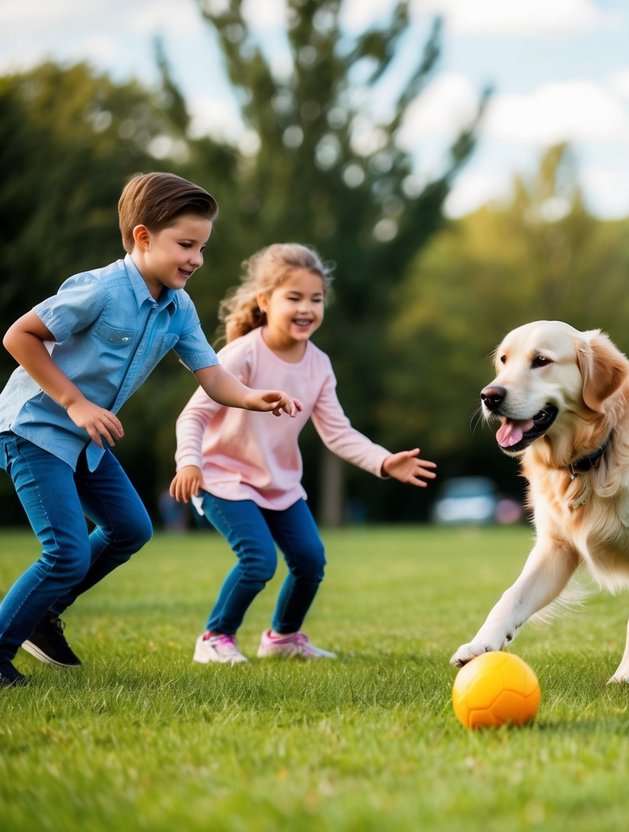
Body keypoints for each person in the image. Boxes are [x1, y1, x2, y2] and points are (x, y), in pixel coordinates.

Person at [0, 172, 300, 688]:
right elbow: (19, 336)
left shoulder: (178, 308)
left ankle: (43, 616)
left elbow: (212, 375)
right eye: (185, 244)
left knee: (132, 528)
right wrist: (74, 403)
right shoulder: (100, 289)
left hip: (83, 439)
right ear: (143, 237)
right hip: (35, 429)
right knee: (67, 551)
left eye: (202, 247)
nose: (196, 259)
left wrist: (253, 398)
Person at [170, 242, 437, 665]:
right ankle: (215, 637)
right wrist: (190, 462)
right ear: (265, 301)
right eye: (293, 297)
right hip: (222, 477)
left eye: (315, 299)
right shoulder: (242, 353)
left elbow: (338, 432)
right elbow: (193, 416)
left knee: (310, 561)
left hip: (278, 482)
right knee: (257, 560)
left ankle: (282, 637)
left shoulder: (319, 365)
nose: (306, 308)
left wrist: (384, 461)